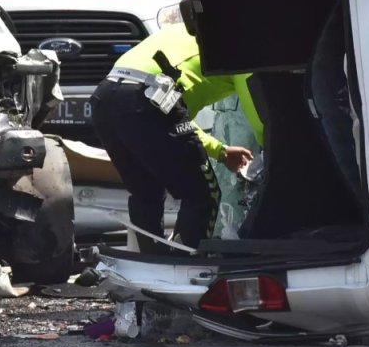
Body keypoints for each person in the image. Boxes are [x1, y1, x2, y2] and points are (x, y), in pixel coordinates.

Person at [90, 23, 259, 252]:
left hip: (106, 97)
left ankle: (152, 265)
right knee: (202, 195)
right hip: (148, 100)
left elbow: (176, 120)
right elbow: (259, 113)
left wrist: (220, 150)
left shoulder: (188, 31)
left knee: (146, 193)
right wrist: (272, 148)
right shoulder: (241, 50)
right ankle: (186, 264)